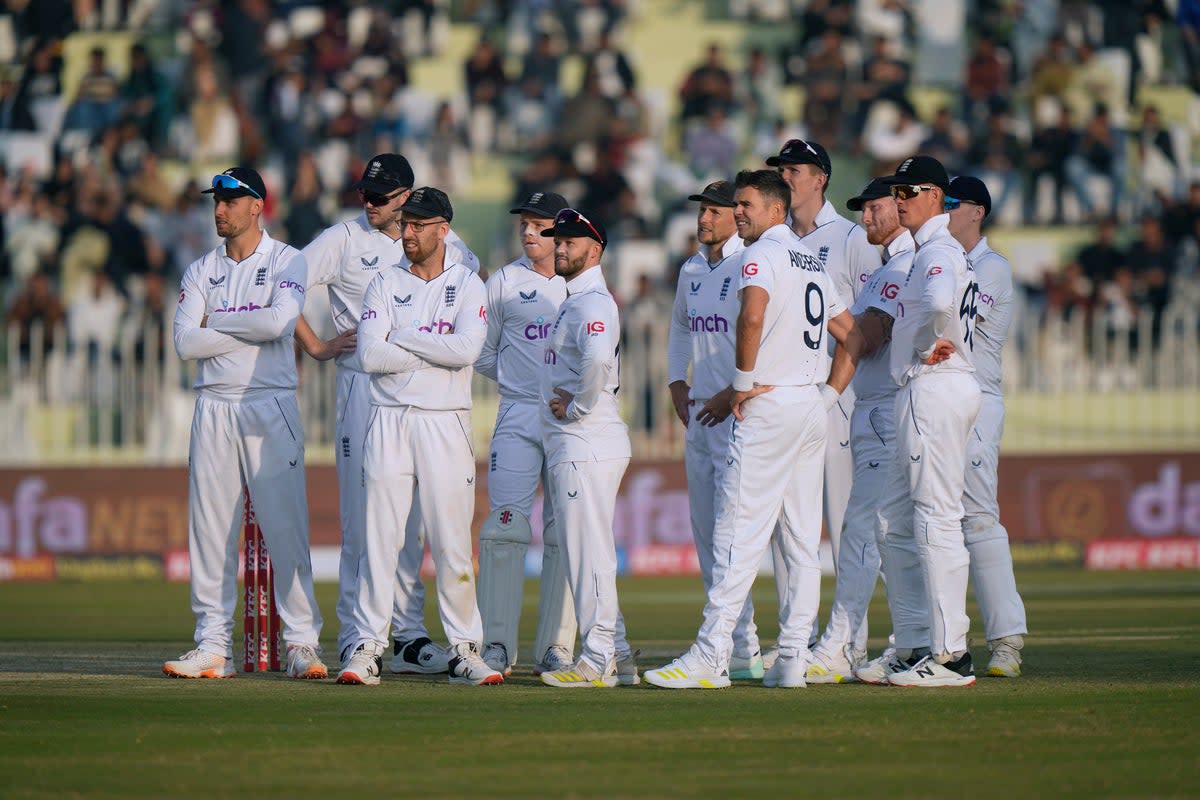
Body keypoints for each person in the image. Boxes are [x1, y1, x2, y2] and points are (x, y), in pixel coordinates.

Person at [645, 169, 863, 689]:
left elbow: (751, 319)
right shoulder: (810, 259)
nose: (737, 212)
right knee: (799, 541)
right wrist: (828, 395)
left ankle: (712, 656)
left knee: (736, 534)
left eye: (744, 205)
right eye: (734, 205)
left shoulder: (761, 254)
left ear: (773, 210)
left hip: (765, 406)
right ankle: (790, 659)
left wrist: (740, 385)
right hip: (806, 404)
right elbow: (850, 334)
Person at [294, 153, 480, 677]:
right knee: (366, 519)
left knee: (417, 523)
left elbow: (464, 310)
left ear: (406, 197)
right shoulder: (344, 240)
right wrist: (317, 345)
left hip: (429, 392)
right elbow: (285, 284)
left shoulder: (452, 249)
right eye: (365, 194)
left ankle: (408, 636)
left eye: (380, 196)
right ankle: (360, 636)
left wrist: (421, 344)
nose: (369, 204)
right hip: (364, 387)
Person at [164, 167, 327, 680]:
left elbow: (280, 322)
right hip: (213, 403)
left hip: (269, 401)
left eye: (231, 200)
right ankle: (213, 645)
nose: (220, 209)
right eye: (217, 200)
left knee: (286, 527)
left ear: (257, 205)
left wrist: (219, 322)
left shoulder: (288, 260)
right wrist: (248, 324)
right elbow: (185, 343)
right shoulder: (200, 270)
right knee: (210, 532)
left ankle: (301, 642)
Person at [337, 187, 501, 686]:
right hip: (387, 420)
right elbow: (368, 356)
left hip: (443, 420)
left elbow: (468, 349)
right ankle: (368, 645)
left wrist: (401, 336)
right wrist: (434, 346)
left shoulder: (467, 283)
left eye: (417, 225)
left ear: (442, 229)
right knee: (380, 537)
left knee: (452, 540)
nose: (407, 233)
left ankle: (465, 648)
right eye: (405, 224)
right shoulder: (384, 282)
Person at [869, 155, 982, 688]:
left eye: (909, 191)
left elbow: (939, 302)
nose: (899, 200)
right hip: (925, 389)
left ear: (936, 195)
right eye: (896, 192)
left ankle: (951, 654)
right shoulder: (928, 250)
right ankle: (914, 642)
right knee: (891, 519)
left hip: (933, 386)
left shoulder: (936, 249)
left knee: (936, 517)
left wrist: (926, 341)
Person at [767, 138, 881, 660]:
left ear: (821, 178)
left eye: (796, 169)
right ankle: (798, 640)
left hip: (836, 399)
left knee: (842, 521)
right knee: (788, 526)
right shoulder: (775, 241)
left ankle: (850, 640)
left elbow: (864, 325)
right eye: (782, 170)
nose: (787, 177)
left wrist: (834, 394)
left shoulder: (851, 238)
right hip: (788, 398)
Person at [808, 178, 915, 683]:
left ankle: (840, 646)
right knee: (889, 532)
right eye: (864, 210)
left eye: (875, 209)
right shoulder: (887, 269)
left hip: (885, 407)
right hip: (879, 406)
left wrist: (816, 295)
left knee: (865, 528)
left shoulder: (902, 264)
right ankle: (910, 643)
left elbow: (864, 338)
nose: (866, 218)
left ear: (900, 206)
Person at [536, 208, 641, 689]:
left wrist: (578, 408)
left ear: (594, 250)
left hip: (586, 440)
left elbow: (598, 360)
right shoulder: (575, 299)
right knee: (588, 550)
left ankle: (597, 658)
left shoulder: (591, 302)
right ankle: (618, 652)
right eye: (557, 241)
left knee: (588, 554)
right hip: (582, 442)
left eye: (571, 242)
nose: (560, 248)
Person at [474, 190, 577, 677]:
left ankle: (557, 646)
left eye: (540, 225)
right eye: (524, 224)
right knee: (505, 526)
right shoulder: (503, 282)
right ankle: (495, 645)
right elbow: (482, 351)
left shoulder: (582, 284)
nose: (529, 232)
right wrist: (522, 384)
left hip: (568, 419)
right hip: (517, 413)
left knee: (565, 530)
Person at [664, 180, 764, 680]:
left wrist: (736, 390)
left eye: (712, 211)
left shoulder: (750, 262)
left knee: (730, 534)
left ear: (734, 216)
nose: (703, 219)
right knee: (707, 535)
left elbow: (761, 330)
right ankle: (742, 645)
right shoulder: (692, 268)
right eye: (700, 210)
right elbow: (681, 327)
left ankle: (729, 647)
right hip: (699, 413)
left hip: (738, 413)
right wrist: (675, 380)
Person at [946, 175, 1028, 677]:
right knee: (928, 521)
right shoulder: (933, 257)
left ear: (977, 211)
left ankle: (1007, 642)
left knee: (977, 518)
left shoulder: (992, 268)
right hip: (934, 400)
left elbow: (954, 324)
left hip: (978, 397)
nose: (945, 211)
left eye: (952, 203)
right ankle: (944, 638)